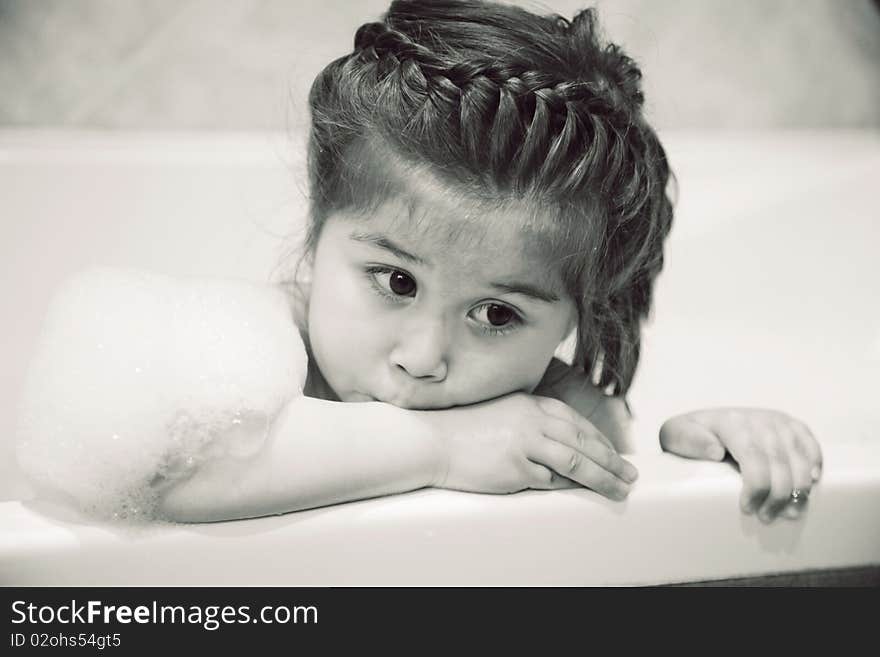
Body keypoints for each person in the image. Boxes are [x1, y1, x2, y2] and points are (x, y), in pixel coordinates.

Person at [17, 0, 821, 526]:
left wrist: (708, 437)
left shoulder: (537, 389)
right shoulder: (249, 346)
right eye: (395, 281)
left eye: (497, 314)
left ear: (579, 314)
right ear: (317, 230)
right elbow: (170, 475)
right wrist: (440, 449)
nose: (425, 358)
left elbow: (618, 456)